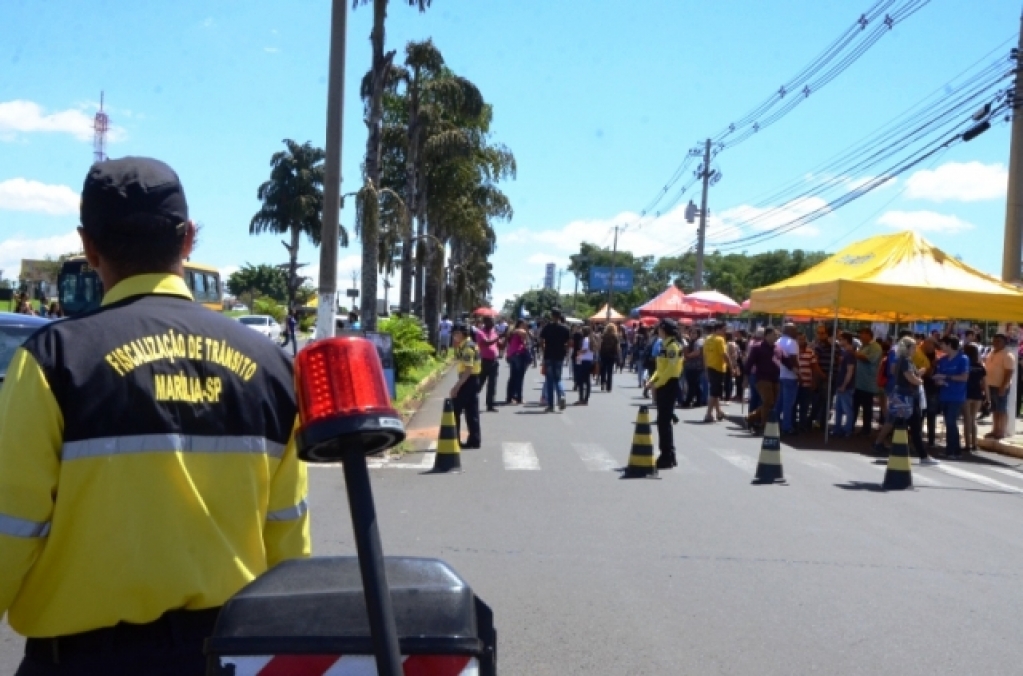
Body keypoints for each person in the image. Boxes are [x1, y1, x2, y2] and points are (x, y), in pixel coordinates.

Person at [0, 157, 310, 675]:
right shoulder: (273, 368)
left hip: (82, 662)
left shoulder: (54, 361)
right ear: (188, 239)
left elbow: (9, 528)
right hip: (227, 658)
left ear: (88, 245)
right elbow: (288, 541)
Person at [888, 336, 937, 464]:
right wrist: (919, 380)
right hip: (908, 397)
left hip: (903, 396)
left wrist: (918, 373)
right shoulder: (905, 361)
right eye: (913, 347)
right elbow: (910, 378)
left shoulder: (901, 360)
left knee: (901, 425)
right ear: (907, 348)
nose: (915, 349)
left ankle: (900, 451)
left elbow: (899, 372)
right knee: (915, 427)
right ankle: (923, 456)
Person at [646, 319, 683, 469]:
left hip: (669, 385)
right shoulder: (664, 345)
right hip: (663, 384)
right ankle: (669, 454)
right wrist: (652, 380)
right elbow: (660, 368)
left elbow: (672, 371)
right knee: (663, 421)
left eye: (660, 329)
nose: (658, 331)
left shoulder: (673, 346)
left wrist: (658, 383)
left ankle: (666, 456)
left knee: (664, 422)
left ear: (665, 330)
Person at [935, 335, 969, 459]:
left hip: (957, 396)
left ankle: (952, 450)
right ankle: (955, 449)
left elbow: (964, 377)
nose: (941, 347)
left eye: (943, 344)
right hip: (944, 395)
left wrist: (947, 377)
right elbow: (938, 374)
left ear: (949, 345)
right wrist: (938, 380)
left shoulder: (963, 358)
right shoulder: (942, 360)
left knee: (951, 421)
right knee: (949, 422)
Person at [449, 323, 482, 449]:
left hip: (468, 380)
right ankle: (475, 440)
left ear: (463, 334)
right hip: (472, 380)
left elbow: (468, 369)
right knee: (471, 411)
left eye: (456, 333)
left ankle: (454, 440)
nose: (454, 336)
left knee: (455, 409)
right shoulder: (468, 345)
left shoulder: (468, 348)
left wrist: (456, 387)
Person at [744, 327, 780, 434]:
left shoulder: (778, 348)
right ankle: (764, 425)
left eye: (777, 335)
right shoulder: (757, 348)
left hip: (775, 378)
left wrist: (793, 368)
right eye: (774, 335)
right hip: (762, 378)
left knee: (772, 403)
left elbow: (785, 360)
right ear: (767, 335)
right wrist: (745, 378)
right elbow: (749, 363)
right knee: (768, 401)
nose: (776, 337)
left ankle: (751, 417)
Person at [984, 332, 1016, 440]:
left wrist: (1003, 386)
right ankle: (995, 430)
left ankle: (1001, 431)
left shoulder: (1008, 355)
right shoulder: (991, 353)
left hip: (1001, 386)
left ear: (1004, 342)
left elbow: (1009, 372)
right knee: (994, 409)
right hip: (990, 385)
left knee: (1001, 409)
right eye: (994, 340)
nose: (996, 343)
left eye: (999, 341)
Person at [539, 308, 570, 412]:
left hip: (549, 355)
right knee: (558, 378)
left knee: (550, 380)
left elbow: (541, 340)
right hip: (559, 356)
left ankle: (551, 405)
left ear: (552, 316)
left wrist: (544, 350)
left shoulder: (547, 327)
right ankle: (561, 396)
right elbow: (569, 342)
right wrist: (564, 350)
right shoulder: (565, 328)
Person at [853, 327, 881, 436]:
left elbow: (869, 359)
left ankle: (866, 429)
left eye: (862, 334)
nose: (860, 336)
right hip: (858, 382)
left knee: (867, 408)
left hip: (868, 383)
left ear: (869, 335)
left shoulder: (875, 347)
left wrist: (856, 354)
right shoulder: (862, 346)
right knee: (855, 405)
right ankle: (851, 426)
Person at [774, 323, 800, 435]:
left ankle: (774, 423)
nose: (796, 332)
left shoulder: (778, 341)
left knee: (779, 402)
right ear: (790, 331)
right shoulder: (792, 343)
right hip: (790, 376)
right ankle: (787, 426)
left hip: (779, 374)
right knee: (788, 403)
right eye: (795, 330)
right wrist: (798, 373)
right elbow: (793, 359)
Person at [703, 322, 730, 423]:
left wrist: (705, 368)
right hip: (718, 368)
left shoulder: (708, 339)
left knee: (716, 391)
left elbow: (705, 355)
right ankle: (708, 414)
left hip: (710, 367)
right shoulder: (720, 340)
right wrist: (732, 367)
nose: (725, 332)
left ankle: (719, 412)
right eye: (723, 329)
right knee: (714, 392)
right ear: (717, 329)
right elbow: (724, 355)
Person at [832, 332, 857, 437]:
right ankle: (837, 429)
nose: (839, 341)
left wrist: (844, 385)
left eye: (841, 339)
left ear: (846, 340)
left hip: (846, 387)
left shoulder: (850, 354)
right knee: (838, 409)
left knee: (847, 409)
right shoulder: (844, 353)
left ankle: (848, 429)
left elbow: (850, 371)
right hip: (841, 385)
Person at [964, 343, 988, 452]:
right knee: (973, 419)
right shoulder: (981, 367)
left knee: (967, 420)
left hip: (966, 394)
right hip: (978, 394)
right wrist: (988, 398)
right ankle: (974, 444)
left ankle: (967, 444)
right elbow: (985, 384)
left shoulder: (965, 365)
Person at [474, 316, 501, 412]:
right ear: (486, 322)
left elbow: (499, 344)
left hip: (494, 361)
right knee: (480, 383)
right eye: (491, 321)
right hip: (484, 361)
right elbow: (486, 343)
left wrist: (505, 338)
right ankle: (470, 401)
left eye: (493, 321)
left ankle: (490, 405)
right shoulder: (480, 333)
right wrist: (498, 338)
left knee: (492, 384)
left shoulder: (494, 331)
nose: (493, 322)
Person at [795, 331, 819, 432]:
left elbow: (814, 368)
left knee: (804, 406)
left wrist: (814, 381)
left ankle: (802, 425)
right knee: (793, 405)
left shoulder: (810, 352)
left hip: (807, 383)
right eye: (799, 339)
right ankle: (792, 424)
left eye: (803, 339)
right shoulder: (793, 351)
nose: (801, 341)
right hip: (794, 383)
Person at [504, 319, 530, 405]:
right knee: (519, 377)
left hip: (512, 355)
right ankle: (519, 397)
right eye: (524, 324)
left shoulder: (511, 332)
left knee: (512, 377)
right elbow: (525, 336)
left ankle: (509, 397)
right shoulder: (520, 331)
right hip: (519, 354)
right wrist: (526, 334)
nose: (525, 326)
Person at [682, 328, 704, 408]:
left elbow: (697, 352)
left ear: (698, 334)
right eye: (691, 333)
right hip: (691, 366)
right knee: (696, 384)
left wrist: (687, 356)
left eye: (694, 333)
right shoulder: (691, 342)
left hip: (695, 366)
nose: (692, 335)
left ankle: (688, 401)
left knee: (692, 384)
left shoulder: (699, 342)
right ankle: (699, 401)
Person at [574, 326, 594, 405]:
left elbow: (585, 350)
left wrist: (579, 352)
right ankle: (585, 399)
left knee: (581, 380)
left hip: (584, 361)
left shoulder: (586, 339)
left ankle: (581, 398)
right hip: (589, 361)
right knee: (587, 381)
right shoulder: (591, 339)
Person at [598, 323, 619, 392]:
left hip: (603, 354)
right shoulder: (615, 337)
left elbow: (600, 345)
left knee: (603, 370)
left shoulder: (603, 336)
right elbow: (617, 347)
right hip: (611, 355)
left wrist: (600, 352)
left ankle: (602, 383)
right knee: (610, 371)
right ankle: (609, 387)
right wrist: (617, 354)